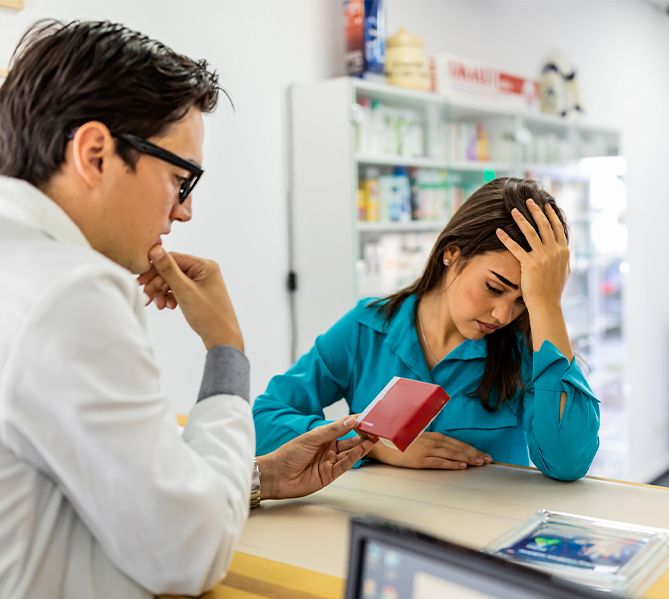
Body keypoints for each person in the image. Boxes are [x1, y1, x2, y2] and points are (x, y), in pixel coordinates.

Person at [0, 20, 373, 599]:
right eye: (181, 179)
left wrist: (256, 477)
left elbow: (99, 488)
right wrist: (226, 350)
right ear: (95, 153)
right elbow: (186, 552)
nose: (185, 212)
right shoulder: (69, 292)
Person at [254, 177, 600, 481]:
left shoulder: (525, 350)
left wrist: (547, 306)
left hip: (481, 536)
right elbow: (263, 420)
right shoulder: (367, 328)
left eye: (524, 300)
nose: (503, 314)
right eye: (494, 288)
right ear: (452, 253)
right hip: (381, 532)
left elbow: (568, 462)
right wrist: (370, 444)